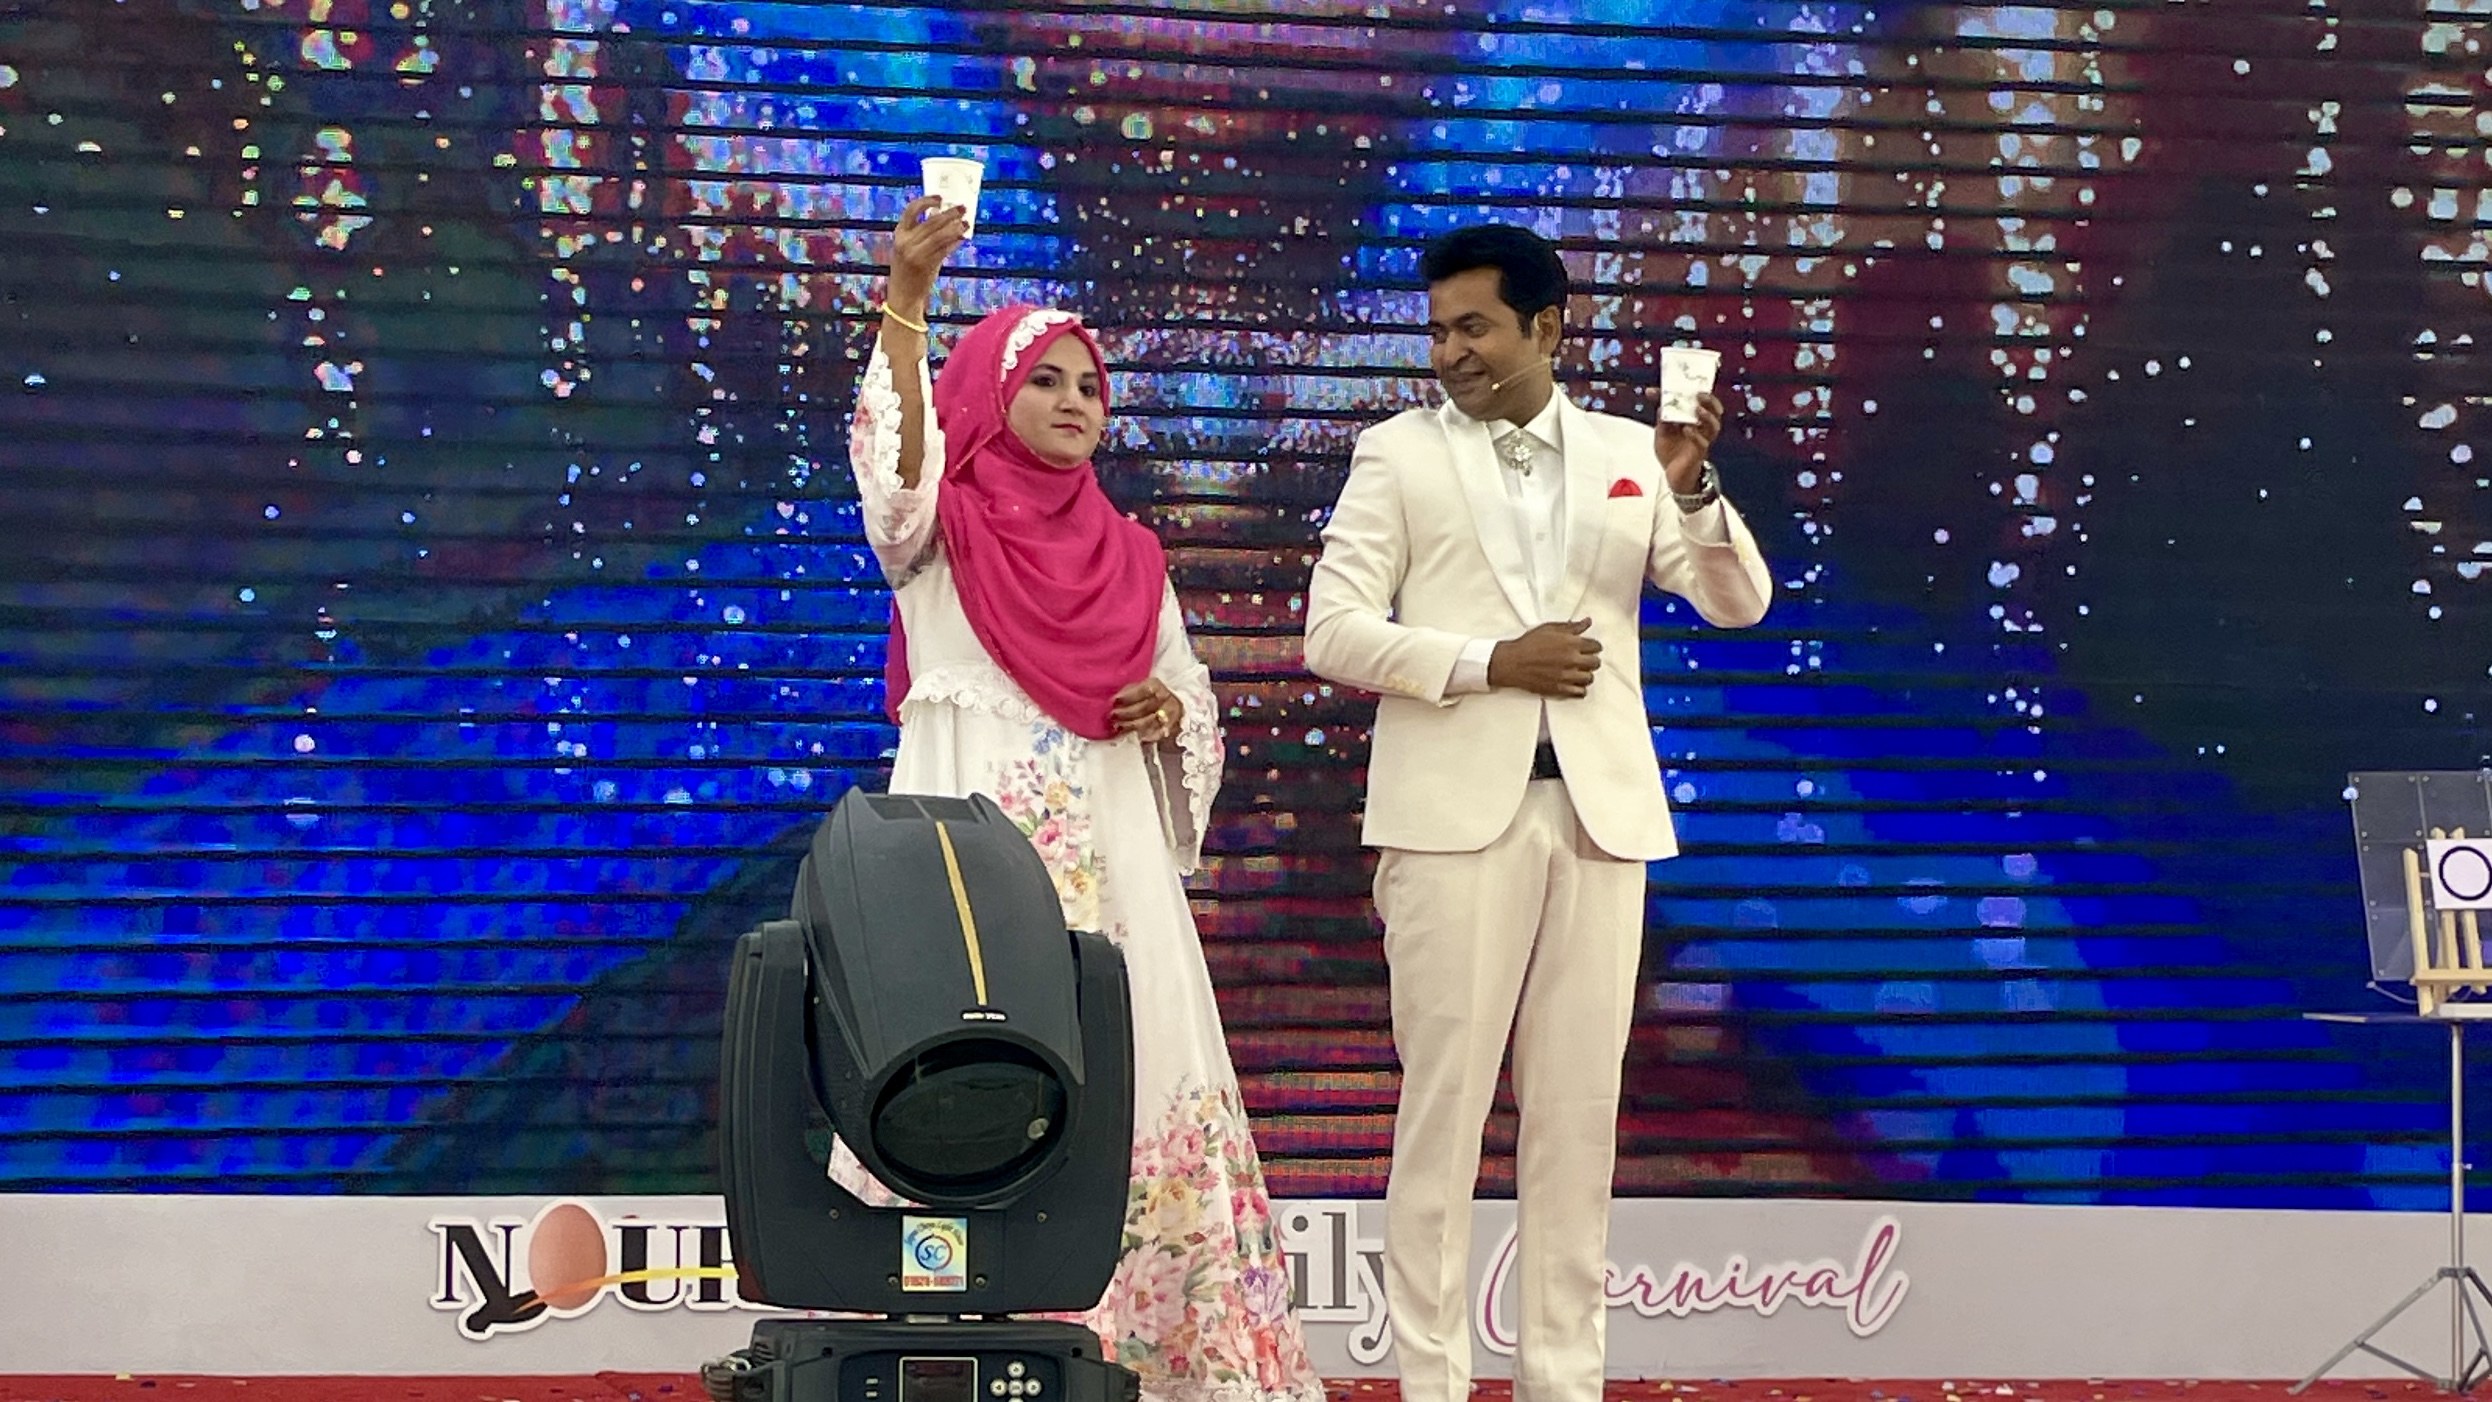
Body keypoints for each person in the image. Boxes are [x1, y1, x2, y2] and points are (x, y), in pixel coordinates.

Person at [836, 195, 1323, 1402]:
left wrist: (1167, 714)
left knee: (1122, 1070)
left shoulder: (1132, 555)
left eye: (1090, 387)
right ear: (987, 391)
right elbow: (891, 476)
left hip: (1111, 870)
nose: (1073, 401)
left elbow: (1184, 696)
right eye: (1044, 380)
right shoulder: (936, 530)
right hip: (964, 866)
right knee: (955, 1075)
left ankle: (1146, 1355)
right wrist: (906, 300)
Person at [1300, 224, 1774, 1402]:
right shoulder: (1395, 454)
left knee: (1576, 1119)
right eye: (1437, 331)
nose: (1448, 352)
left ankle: (1563, 1382)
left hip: (1599, 820)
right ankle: (1430, 1382)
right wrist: (1488, 662)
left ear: (1546, 327)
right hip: (1450, 821)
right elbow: (1332, 631)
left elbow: (1736, 603)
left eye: (1473, 327)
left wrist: (1693, 487)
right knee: (1442, 1110)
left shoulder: (1628, 453)